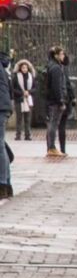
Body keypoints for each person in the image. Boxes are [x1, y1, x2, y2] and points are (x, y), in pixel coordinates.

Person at [45, 46, 68, 158]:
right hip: (55, 101)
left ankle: (50, 147)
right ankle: (52, 147)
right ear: (56, 55)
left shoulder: (52, 66)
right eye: (62, 54)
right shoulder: (56, 68)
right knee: (53, 124)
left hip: (51, 100)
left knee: (52, 123)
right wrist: (61, 101)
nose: (63, 56)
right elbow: (57, 86)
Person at [11, 59, 34, 141]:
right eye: (23, 67)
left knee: (28, 118)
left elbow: (35, 88)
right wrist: (22, 93)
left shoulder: (31, 76)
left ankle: (28, 135)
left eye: (26, 67)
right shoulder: (16, 77)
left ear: (28, 68)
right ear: (20, 68)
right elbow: (13, 88)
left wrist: (29, 92)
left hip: (28, 99)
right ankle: (18, 135)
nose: (24, 69)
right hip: (19, 99)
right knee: (19, 118)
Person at [0, 52, 12, 198]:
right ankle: (6, 183)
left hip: (1, 107)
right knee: (1, 144)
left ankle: (2, 184)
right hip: (4, 107)